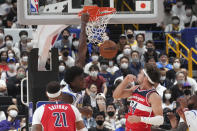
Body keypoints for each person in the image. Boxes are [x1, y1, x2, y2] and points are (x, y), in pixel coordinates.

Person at [113, 64, 164, 131]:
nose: (138, 74)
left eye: (140, 73)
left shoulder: (153, 95)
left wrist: (140, 119)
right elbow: (116, 95)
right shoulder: (136, 89)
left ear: (146, 78)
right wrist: (125, 80)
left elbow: (160, 120)